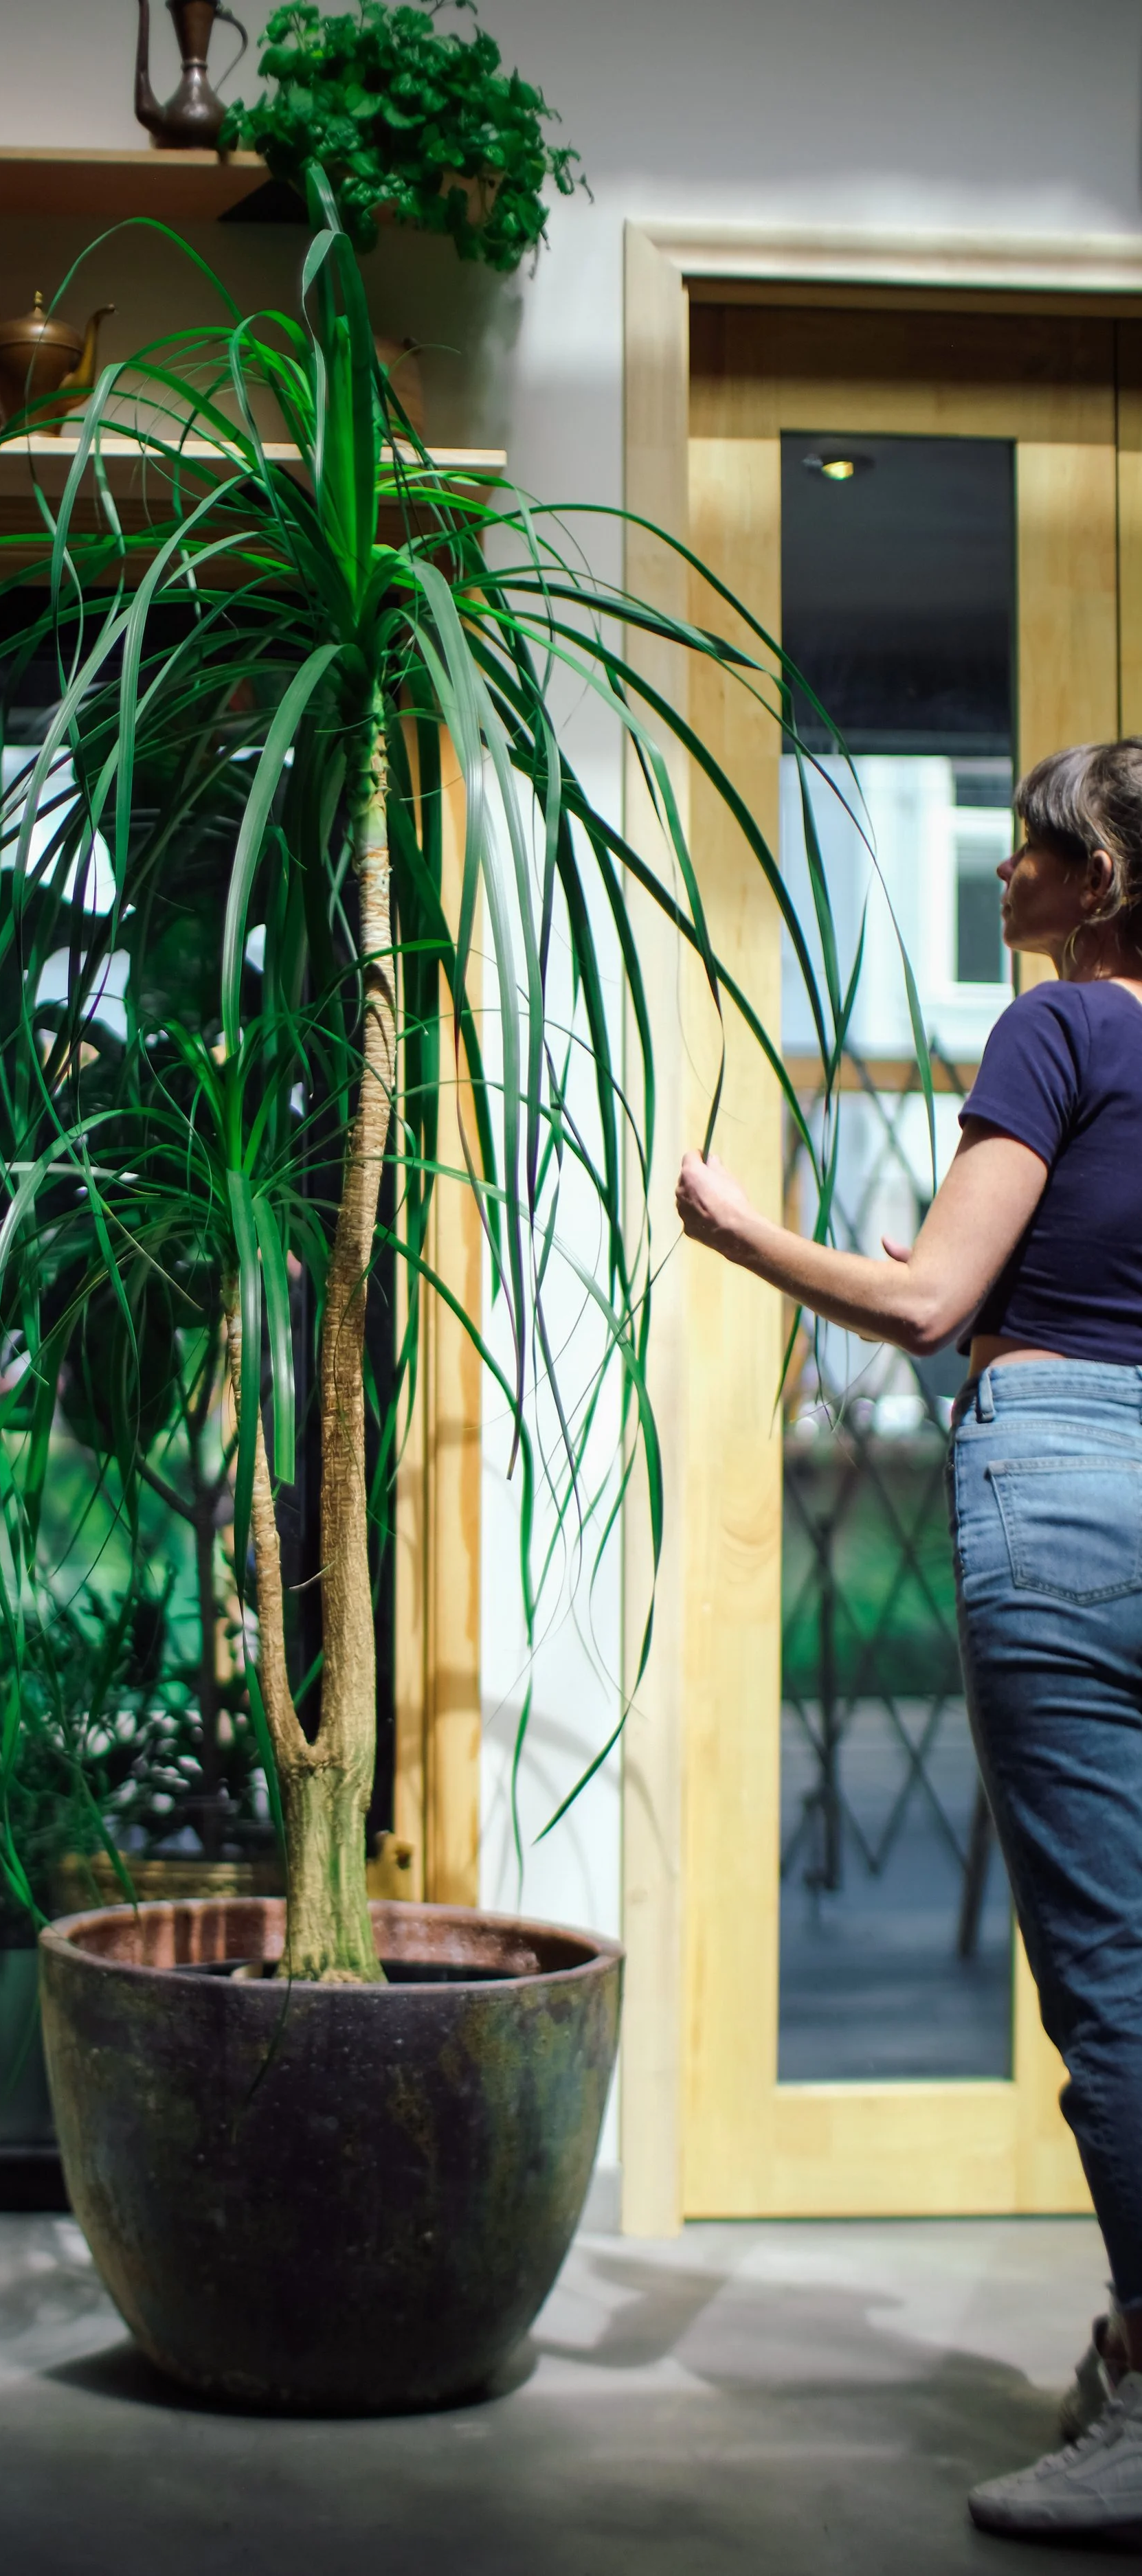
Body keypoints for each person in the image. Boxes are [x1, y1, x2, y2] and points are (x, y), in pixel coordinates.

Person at [678, 738, 1142, 2544]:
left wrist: (742, 1234)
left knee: (1109, 1972)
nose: (1004, 875)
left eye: (1030, 849)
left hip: (1063, 1501)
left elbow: (933, 1298)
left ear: (1095, 878)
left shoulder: (1060, 1031)